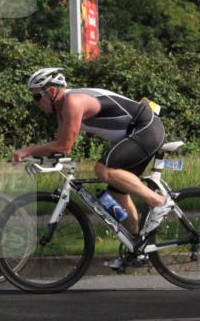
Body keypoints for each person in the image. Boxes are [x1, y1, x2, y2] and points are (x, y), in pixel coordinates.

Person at [10, 67, 174, 269]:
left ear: (51, 91)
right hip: (137, 134)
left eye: (36, 97)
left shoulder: (73, 102)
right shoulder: (62, 111)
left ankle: (158, 202)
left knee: (102, 170)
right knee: (116, 195)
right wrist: (38, 159)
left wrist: (27, 150)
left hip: (145, 129)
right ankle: (137, 249)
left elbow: (64, 145)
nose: (35, 104)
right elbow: (59, 148)